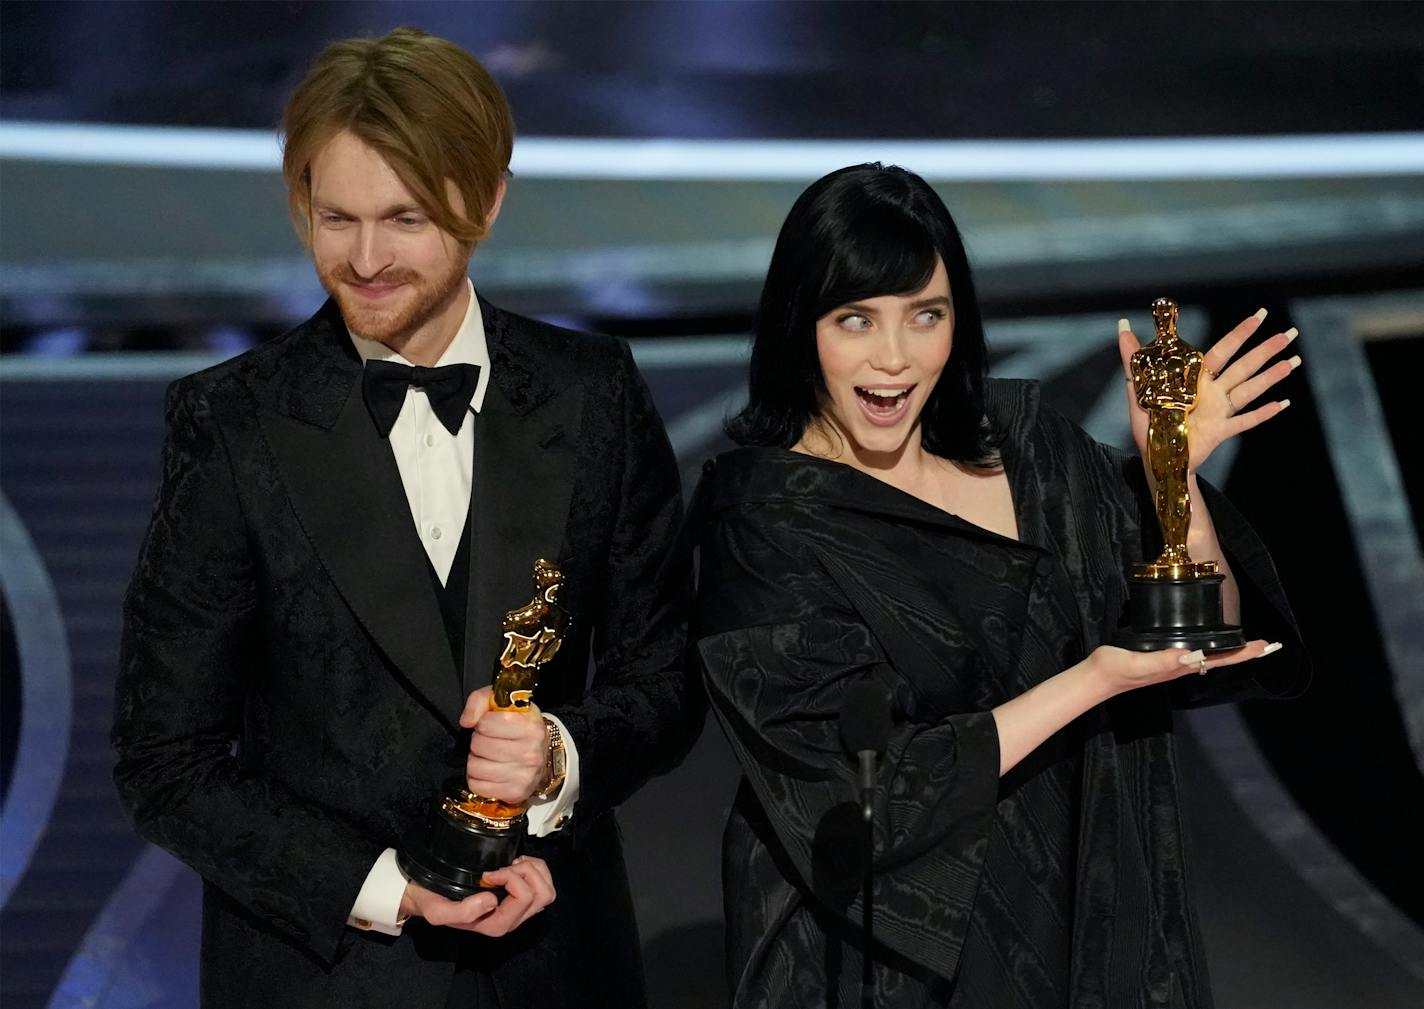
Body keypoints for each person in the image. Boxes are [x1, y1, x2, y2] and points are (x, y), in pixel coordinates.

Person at [113, 27, 699, 1009]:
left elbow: (664, 677)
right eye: (334, 217)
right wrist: (392, 888)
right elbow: (164, 761)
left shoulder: (590, 396)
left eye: (405, 218)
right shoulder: (233, 423)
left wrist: (558, 757)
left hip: (554, 970)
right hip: (327, 978)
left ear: (487, 200)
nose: (366, 260)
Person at [692, 163, 1308, 1008]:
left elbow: (1209, 628)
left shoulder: (1032, 447)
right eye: (856, 319)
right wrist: (1092, 678)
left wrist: (1175, 480)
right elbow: (854, 798)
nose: (895, 357)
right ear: (803, 325)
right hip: (880, 955)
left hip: (1080, 909)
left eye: (926, 315)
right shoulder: (761, 521)